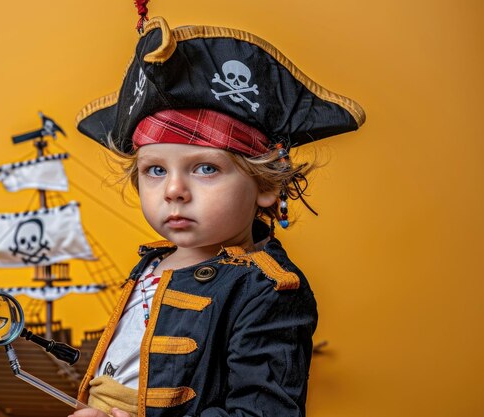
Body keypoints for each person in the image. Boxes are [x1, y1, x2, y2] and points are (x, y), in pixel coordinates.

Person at [71, 16, 365, 417]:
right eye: (155, 170)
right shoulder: (152, 263)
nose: (173, 189)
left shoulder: (268, 291)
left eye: (205, 168)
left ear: (266, 185)